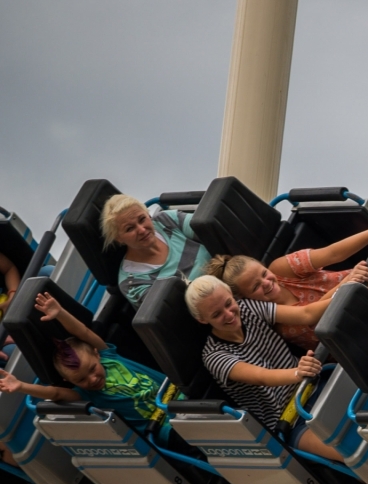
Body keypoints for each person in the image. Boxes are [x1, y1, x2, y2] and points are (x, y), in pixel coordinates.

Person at [185, 275, 343, 462]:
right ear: (202, 319)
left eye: (228, 304)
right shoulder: (214, 356)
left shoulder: (247, 308)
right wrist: (297, 373)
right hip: (289, 421)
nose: (228, 314)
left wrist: (346, 286)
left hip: (315, 384)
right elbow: (262, 376)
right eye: (216, 314)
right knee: (347, 452)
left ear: (231, 294)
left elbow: (305, 314)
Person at [0, 292, 181, 441]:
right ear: (69, 381)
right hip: (162, 429)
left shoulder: (107, 356)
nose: (92, 379)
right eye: (80, 379)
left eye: (92, 369)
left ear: (97, 354)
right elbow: (54, 393)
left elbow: (83, 332)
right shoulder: (86, 394)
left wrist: (60, 313)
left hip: (177, 398)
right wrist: (21, 386)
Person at [203, 224, 368, 352]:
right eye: (256, 286)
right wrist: (347, 284)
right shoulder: (271, 317)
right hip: (355, 337)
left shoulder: (280, 269)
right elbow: (313, 313)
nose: (266, 283)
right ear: (246, 298)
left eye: (264, 274)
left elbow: (333, 253)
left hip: (366, 286)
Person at [101, 194, 212, 310]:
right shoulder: (132, 283)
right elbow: (177, 310)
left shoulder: (167, 220)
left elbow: (212, 232)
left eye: (142, 219)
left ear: (149, 215)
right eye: (130, 228)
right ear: (119, 238)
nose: (142, 230)